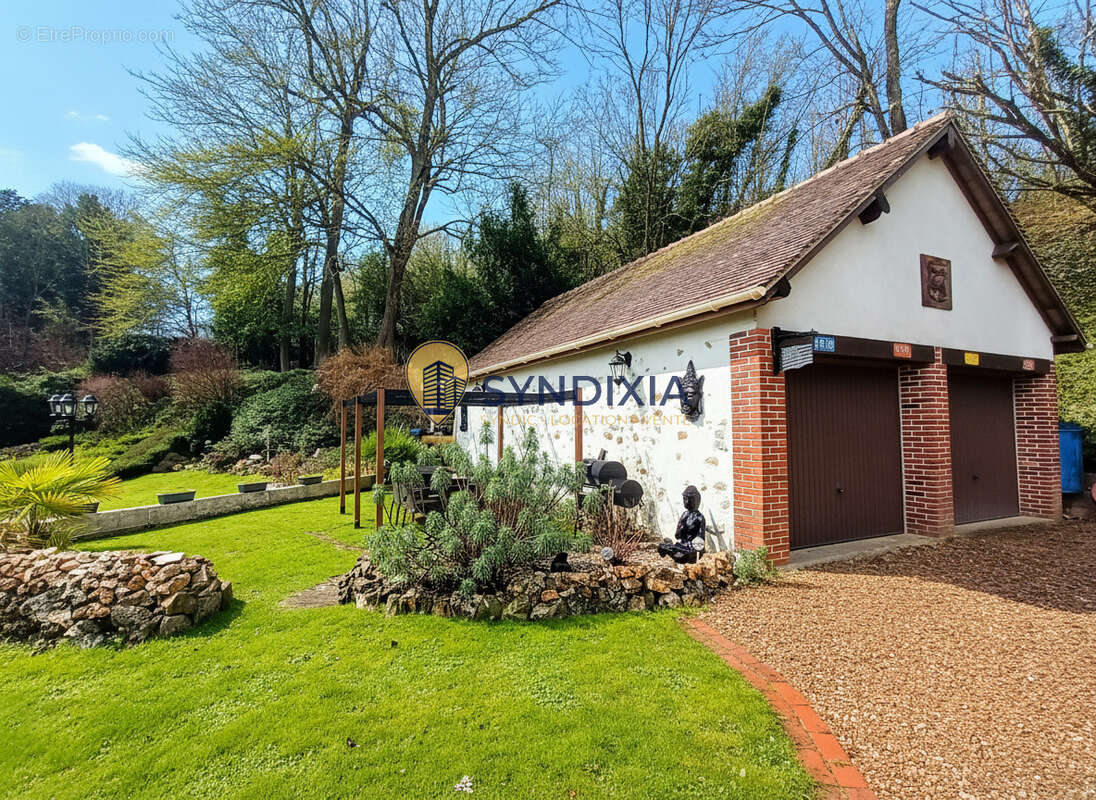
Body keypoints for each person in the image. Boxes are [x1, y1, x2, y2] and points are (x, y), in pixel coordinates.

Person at [658, 485, 706, 564]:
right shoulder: (685, 514)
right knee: (662, 546)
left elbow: (700, 541)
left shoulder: (700, 518)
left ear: (695, 500)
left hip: (690, 549)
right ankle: (676, 553)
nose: (686, 502)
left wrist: (695, 549)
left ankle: (679, 555)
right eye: (684, 499)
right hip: (680, 546)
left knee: (683, 554)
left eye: (689, 499)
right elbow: (677, 536)